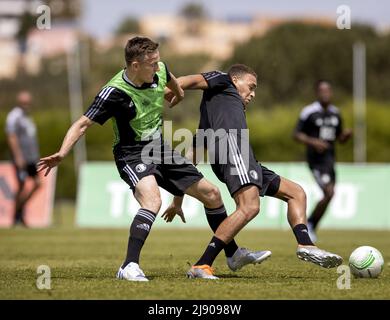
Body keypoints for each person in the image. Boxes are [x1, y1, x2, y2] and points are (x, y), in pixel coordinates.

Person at [37, 37, 265, 282]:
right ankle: (129, 266)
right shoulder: (114, 93)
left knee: (212, 195)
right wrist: (62, 153)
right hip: (131, 153)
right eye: (152, 64)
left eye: (158, 62)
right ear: (135, 66)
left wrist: (177, 93)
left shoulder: (160, 70)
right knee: (152, 201)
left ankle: (232, 255)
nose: (158, 68)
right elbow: (82, 124)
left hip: (159, 149)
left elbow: (173, 81)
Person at [163, 65, 343, 279]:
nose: (253, 93)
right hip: (233, 152)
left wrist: (177, 200)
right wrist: (171, 90)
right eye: (251, 86)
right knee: (249, 206)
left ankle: (306, 244)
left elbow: (192, 157)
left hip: (245, 159)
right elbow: (189, 80)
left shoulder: (215, 110)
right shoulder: (223, 79)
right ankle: (202, 265)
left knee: (296, 193)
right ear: (235, 80)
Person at [293, 80, 352, 242]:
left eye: (328, 91)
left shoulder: (335, 113)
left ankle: (312, 223)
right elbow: (296, 134)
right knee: (329, 192)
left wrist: (345, 136)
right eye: (322, 91)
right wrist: (314, 142)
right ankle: (310, 224)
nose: (326, 94)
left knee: (330, 195)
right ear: (317, 93)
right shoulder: (309, 112)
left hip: (330, 161)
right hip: (316, 161)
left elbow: (339, 138)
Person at [5, 91, 41, 227]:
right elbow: (11, 136)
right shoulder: (15, 116)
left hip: (31, 158)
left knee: (36, 184)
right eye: (24, 102)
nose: (27, 104)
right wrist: (18, 157)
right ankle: (16, 217)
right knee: (21, 187)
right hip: (22, 159)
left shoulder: (27, 117)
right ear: (19, 102)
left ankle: (19, 213)